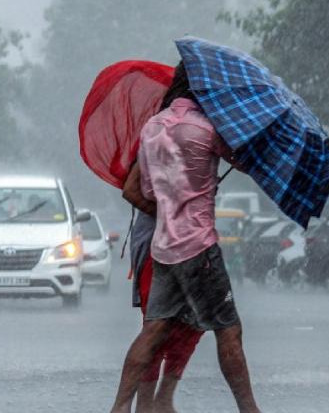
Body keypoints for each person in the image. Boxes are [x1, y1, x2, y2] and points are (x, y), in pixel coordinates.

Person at [110, 62, 260, 413]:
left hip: (163, 248)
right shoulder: (206, 129)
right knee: (229, 331)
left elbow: (146, 189)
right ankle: (250, 410)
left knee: (152, 331)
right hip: (199, 247)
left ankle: (119, 408)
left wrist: (175, 203)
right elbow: (245, 161)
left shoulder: (152, 128)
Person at [121, 163, 204, 413]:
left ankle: (163, 400)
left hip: (193, 244)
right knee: (156, 326)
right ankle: (143, 405)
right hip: (157, 247)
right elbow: (131, 191)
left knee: (193, 324)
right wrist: (169, 215)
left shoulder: (201, 140)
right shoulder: (156, 137)